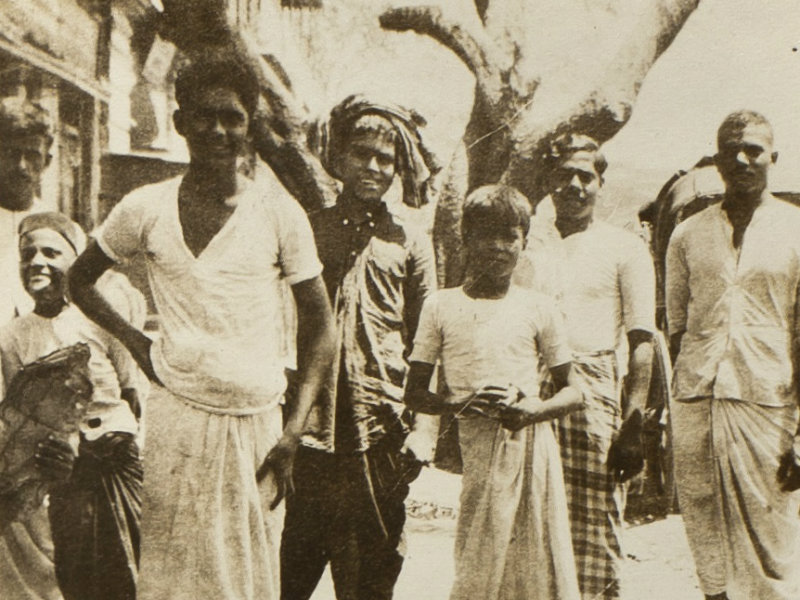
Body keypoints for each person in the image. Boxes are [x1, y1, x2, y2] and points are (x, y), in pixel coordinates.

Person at [68, 54, 335, 600]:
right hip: (178, 420)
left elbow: (321, 325)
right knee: (174, 577)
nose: (219, 131)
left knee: (248, 576)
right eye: (205, 116)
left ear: (250, 125)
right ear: (180, 121)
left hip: (258, 429)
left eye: (233, 118)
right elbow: (81, 281)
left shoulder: (279, 214)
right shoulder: (144, 206)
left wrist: (292, 431)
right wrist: (138, 343)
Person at [279, 95, 439, 600]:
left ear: (398, 168)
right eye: (361, 153)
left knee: (371, 574)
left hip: (381, 428)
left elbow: (429, 338)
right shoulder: (310, 229)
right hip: (310, 426)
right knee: (294, 569)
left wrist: (425, 430)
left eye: (385, 159)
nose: (372, 166)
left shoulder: (409, 242)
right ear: (340, 158)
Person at [404, 184, 582, 600]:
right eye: (486, 235)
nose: (498, 248)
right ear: (465, 239)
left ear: (523, 242)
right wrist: (460, 403)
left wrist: (530, 410)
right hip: (477, 449)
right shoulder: (441, 306)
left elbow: (574, 392)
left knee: (533, 559)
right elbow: (414, 392)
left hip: (528, 447)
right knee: (477, 559)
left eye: (510, 237)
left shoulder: (538, 307)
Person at [667, 110, 800, 600]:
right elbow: (676, 327)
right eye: (731, 150)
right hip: (697, 401)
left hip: (768, 406)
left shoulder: (796, 230)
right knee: (707, 543)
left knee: (776, 551)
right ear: (717, 159)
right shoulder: (687, 234)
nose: (742, 160)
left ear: (773, 158)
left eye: (754, 151)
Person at [530, 133, 656, 599]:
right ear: (547, 180)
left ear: (601, 183)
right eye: (564, 175)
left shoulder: (624, 248)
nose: (575, 185)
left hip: (595, 394)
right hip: (531, 389)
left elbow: (642, 341)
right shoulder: (527, 243)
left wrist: (633, 424)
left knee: (595, 526)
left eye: (586, 175)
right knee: (533, 521)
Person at [0, 212, 145, 600]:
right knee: (79, 579)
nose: (36, 262)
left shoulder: (98, 316)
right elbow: (21, 414)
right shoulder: (13, 336)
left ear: (76, 259)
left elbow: (132, 391)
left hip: (116, 461)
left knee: (131, 573)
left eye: (51, 252)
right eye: (27, 254)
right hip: (64, 473)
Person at [0, 95, 53, 325]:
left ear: (47, 161)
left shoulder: (56, 228)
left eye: (32, 155)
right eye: (11, 154)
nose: (21, 166)